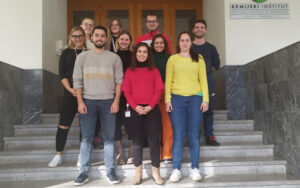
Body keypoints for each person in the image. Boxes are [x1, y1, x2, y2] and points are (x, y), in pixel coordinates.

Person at [72, 25, 123, 186]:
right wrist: (80, 102)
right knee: (86, 138)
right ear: (92, 38)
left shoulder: (114, 58)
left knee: (109, 138)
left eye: (103, 35)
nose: (100, 38)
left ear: (106, 39)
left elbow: (119, 82)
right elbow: (77, 81)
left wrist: (116, 101)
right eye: (97, 35)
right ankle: (83, 172)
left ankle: (110, 171)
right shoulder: (82, 57)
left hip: (109, 101)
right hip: (88, 101)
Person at [165, 31, 209, 182]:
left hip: (195, 100)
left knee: (194, 135)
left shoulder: (199, 58)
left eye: (187, 40)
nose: (184, 43)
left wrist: (206, 100)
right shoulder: (173, 59)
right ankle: (176, 169)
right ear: (178, 43)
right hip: (176, 100)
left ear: (191, 42)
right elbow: (168, 81)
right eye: (182, 40)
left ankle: (194, 168)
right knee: (178, 135)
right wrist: (167, 100)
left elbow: (204, 80)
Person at [122, 42, 164, 185]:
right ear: (135, 54)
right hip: (135, 110)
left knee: (153, 141)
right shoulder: (129, 71)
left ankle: (156, 172)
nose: (141, 54)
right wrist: (135, 106)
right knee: (137, 142)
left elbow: (159, 90)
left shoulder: (154, 71)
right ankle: (138, 173)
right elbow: (126, 91)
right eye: (139, 51)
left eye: (144, 52)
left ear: (148, 54)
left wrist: (151, 106)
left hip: (152, 110)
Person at [48, 26, 86, 168]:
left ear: (84, 37)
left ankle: (82, 154)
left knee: (85, 125)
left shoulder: (89, 53)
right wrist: (71, 89)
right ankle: (58, 155)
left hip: (86, 94)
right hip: (70, 94)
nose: (78, 38)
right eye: (75, 36)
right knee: (63, 124)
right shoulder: (66, 53)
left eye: (80, 35)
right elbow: (62, 75)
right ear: (71, 37)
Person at [192, 19, 221, 146]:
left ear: (205, 30)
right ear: (193, 30)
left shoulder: (211, 48)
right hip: (192, 82)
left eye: (202, 27)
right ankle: (195, 136)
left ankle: (210, 136)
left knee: (208, 109)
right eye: (197, 27)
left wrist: (205, 73)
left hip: (208, 81)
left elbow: (216, 65)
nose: (199, 29)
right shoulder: (189, 47)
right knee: (194, 109)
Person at [80, 17, 104, 150]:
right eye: (86, 25)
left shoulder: (95, 44)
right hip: (85, 87)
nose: (88, 27)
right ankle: (86, 143)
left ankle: (95, 136)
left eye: (91, 25)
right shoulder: (79, 43)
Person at [150, 34, 173, 163]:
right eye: (156, 43)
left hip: (167, 93)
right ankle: (156, 154)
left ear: (165, 45)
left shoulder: (170, 58)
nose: (159, 45)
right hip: (152, 93)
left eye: (161, 43)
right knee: (155, 124)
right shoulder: (149, 58)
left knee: (168, 124)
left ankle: (167, 154)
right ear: (153, 45)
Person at [114, 30, 134, 165]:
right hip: (115, 95)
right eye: (122, 39)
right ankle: (120, 154)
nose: (124, 41)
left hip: (130, 95)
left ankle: (132, 154)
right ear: (118, 40)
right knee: (116, 124)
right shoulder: (112, 56)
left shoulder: (134, 56)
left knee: (131, 123)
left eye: (127, 39)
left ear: (130, 41)